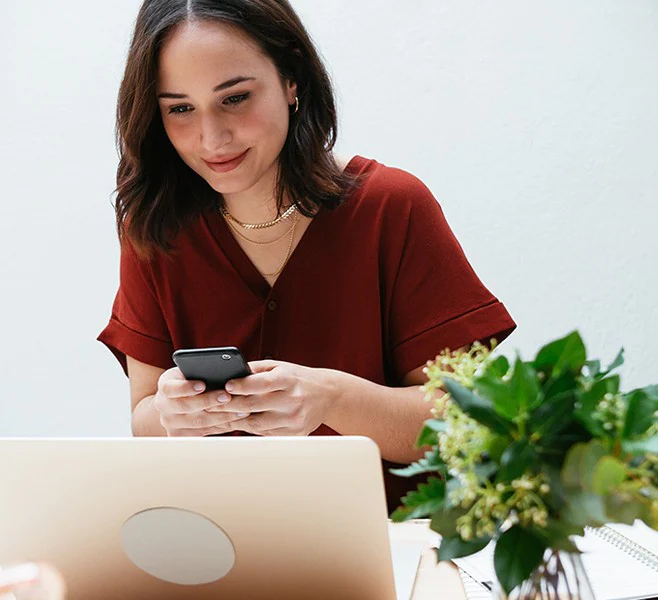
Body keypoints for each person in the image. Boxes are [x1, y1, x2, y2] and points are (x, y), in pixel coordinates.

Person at [96, 0, 516, 507]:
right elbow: (144, 415)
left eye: (234, 98)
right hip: (221, 547)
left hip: (389, 550)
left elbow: (461, 420)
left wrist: (334, 401)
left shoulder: (392, 208)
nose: (212, 137)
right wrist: (172, 415)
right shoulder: (154, 228)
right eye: (180, 108)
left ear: (292, 78)